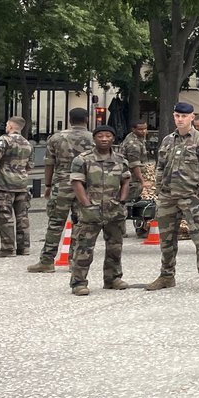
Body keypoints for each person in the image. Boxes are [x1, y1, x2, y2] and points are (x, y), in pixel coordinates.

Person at [146, 102, 199, 293]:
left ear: (192, 117)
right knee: (166, 239)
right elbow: (160, 166)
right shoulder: (168, 140)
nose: (180, 119)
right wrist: (159, 189)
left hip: (190, 197)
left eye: (184, 116)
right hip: (168, 197)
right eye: (177, 116)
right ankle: (166, 276)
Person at [28, 107, 94, 273]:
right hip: (85, 186)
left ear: (69, 119)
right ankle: (74, 261)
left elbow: (49, 163)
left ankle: (47, 260)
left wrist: (48, 185)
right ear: (87, 119)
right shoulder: (94, 138)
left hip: (62, 184)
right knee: (80, 224)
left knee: (55, 223)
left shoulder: (56, 138)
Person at [68, 125, 130, 296]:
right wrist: (87, 205)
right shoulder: (82, 160)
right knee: (84, 249)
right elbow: (76, 183)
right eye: (100, 136)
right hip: (90, 212)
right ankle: (79, 282)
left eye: (108, 136)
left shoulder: (120, 160)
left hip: (114, 211)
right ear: (94, 139)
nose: (104, 139)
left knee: (115, 247)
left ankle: (113, 279)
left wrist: (122, 200)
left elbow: (126, 181)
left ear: (113, 138)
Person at [0, 117, 34, 258]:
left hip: (5, 185)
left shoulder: (4, 140)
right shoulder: (27, 143)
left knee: (5, 216)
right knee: (22, 217)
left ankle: (8, 248)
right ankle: (24, 248)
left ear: (10, 126)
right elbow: (29, 166)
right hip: (22, 185)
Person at [120, 119, 149, 202]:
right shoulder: (133, 144)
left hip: (131, 176)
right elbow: (134, 165)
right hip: (131, 178)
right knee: (129, 200)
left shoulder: (137, 138)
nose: (143, 131)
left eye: (145, 128)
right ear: (134, 129)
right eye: (140, 129)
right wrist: (142, 181)